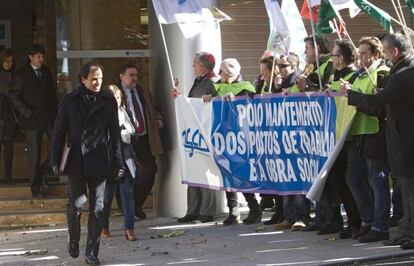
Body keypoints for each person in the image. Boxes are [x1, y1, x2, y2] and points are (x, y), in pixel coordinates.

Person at [340, 32, 414, 250]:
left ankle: (409, 234)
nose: (383, 55)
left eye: (384, 51)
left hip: (405, 141)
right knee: (405, 191)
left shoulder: (404, 73)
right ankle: (406, 231)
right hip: (402, 139)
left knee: (408, 192)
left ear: (395, 52)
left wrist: (351, 94)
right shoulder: (401, 70)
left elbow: (376, 104)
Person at [51, 63, 124, 265]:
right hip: (76, 160)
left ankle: (92, 252)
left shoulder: (108, 101)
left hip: (99, 159)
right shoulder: (69, 100)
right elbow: (59, 131)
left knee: (98, 208)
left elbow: (115, 135)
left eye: (100, 78)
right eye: (93, 79)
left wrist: (119, 161)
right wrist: (55, 159)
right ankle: (73, 238)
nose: (97, 82)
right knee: (76, 204)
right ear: (82, 79)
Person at [341, 36, 391, 243]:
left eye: (364, 53)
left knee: (377, 183)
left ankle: (380, 226)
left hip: (375, 135)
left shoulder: (382, 75)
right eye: (358, 53)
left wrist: (352, 96)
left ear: (376, 55)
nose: (359, 57)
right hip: (358, 135)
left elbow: (377, 107)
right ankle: (367, 220)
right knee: (353, 178)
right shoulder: (359, 76)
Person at [316, 40, 361, 240]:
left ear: (341, 58)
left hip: (348, 137)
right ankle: (347, 222)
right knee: (338, 183)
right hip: (333, 137)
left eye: (333, 56)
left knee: (349, 183)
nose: (331, 59)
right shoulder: (336, 75)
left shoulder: (354, 75)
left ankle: (357, 222)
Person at [213, 58, 262, 225]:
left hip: (240, 137)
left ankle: (254, 208)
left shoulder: (246, 87)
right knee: (226, 172)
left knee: (241, 172)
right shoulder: (218, 86)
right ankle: (233, 211)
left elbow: (250, 101)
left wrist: (237, 97)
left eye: (221, 71)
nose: (219, 74)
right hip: (222, 136)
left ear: (229, 72)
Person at [172, 52, 219, 223]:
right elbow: (193, 102)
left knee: (205, 173)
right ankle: (192, 210)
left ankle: (207, 210)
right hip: (195, 132)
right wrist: (180, 98)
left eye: (195, 64)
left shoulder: (212, 81)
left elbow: (215, 102)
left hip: (205, 132)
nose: (193, 66)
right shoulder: (200, 80)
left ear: (203, 66)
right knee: (193, 170)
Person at [9, 44, 58, 197]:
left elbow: (52, 94)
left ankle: (43, 171)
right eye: (38, 57)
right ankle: (35, 187)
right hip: (32, 120)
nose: (41, 60)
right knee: (34, 154)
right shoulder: (22, 73)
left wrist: (56, 113)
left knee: (61, 144)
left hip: (49, 117)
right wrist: (27, 112)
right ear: (30, 57)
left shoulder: (46, 71)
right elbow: (14, 96)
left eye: (42, 57)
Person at [119, 63, 164, 220]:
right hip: (125, 140)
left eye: (136, 75)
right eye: (131, 75)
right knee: (125, 174)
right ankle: (126, 206)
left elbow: (153, 108)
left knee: (151, 170)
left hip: (144, 137)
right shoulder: (115, 94)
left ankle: (135, 204)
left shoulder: (142, 91)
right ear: (121, 77)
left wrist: (158, 119)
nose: (134, 79)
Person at [101, 84, 138, 241]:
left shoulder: (125, 113)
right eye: (112, 98)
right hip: (108, 162)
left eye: (117, 97)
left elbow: (134, 134)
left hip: (126, 159)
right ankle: (104, 227)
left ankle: (129, 228)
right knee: (106, 197)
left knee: (127, 195)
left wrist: (127, 134)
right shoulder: (100, 116)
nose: (115, 101)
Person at [0, 49, 18, 185]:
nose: (8, 64)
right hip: (4, 113)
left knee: (9, 148)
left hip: (9, 115)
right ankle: (7, 177)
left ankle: (8, 177)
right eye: (6, 61)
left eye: (10, 61)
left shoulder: (15, 75)